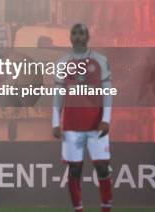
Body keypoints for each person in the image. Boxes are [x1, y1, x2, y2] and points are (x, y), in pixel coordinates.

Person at [52, 23, 113, 212]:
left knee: (102, 167)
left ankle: (106, 209)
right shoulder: (63, 62)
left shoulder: (100, 60)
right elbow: (58, 94)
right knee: (74, 169)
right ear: (70, 37)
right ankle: (78, 209)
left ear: (87, 37)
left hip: (96, 124)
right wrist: (56, 122)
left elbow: (108, 92)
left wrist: (107, 119)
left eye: (81, 34)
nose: (78, 37)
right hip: (71, 125)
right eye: (74, 34)